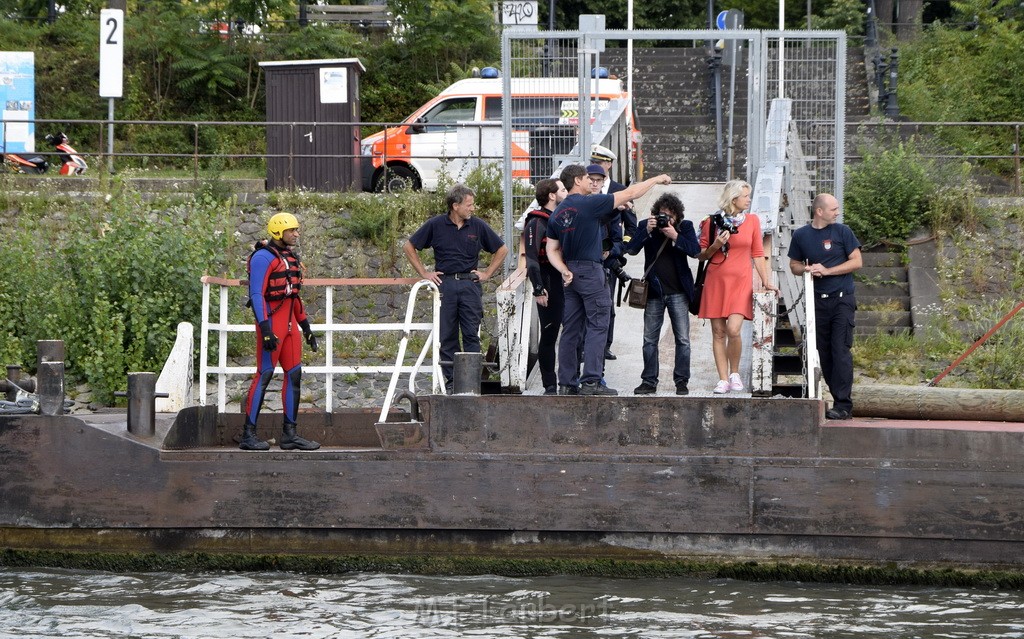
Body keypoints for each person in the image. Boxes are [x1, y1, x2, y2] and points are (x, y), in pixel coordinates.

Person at [545, 164, 673, 396]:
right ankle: (591, 382)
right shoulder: (589, 202)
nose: (592, 183)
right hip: (591, 271)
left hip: (571, 273)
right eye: (587, 178)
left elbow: (551, 249)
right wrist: (656, 178)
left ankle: (566, 384)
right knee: (597, 325)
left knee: (571, 329)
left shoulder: (558, 212)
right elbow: (632, 192)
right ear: (576, 181)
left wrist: (564, 269)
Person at [404, 184, 508, 391]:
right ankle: (452, 383)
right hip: (445, 285)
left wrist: (487, 273)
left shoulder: (477, 226)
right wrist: (424, 273)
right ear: (455, 206)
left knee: (471, 334)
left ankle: (471, 383)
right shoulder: (435, 225)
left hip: (470, 284)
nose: (472, 208)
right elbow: (409, 246)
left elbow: (502, 249)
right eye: (469, 205)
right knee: (447, 335)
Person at [240, 212, 321, 451]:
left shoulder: (290, 257)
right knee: (264, 374)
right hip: (272, 325)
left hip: (290, 327)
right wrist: (265, 329)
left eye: (297, 229)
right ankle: (248, 435)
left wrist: (306, 328)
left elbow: (293, 296)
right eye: (292, 230)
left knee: (294, 375)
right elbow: (255, 295)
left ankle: (289, 435)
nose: (297, 234)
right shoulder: (263, 258)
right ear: (279, 232)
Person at [696, 179, 779, 394]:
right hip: (716, 280)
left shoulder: (752, 221)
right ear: (734, 199)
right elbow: (701, 255)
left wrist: (766, 280)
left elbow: (758, 254)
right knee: (718, 332)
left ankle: (734, 372)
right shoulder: (711, 221)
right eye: (745, 196)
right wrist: (717, 245)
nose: (749, 200)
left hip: (741, 281)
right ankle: (723, 379)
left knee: (733, 329)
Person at [787, 193, 863, 420]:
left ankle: (843, 404)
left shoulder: (843, 232)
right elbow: (794, 265)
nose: (837, 212)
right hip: (818, 302)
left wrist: (827, 271)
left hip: (842, 299)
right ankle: (834, 397)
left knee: (841, 350)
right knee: (824, 352)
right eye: (833, 209)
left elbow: (857, 261)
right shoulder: (801, 235)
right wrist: (807, 270)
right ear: (819, 211)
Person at [624, 193, 701, 395]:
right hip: (653, 292)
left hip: (678, 293)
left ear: (677, 216)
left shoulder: (685, 227)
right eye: (662, 215)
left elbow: (695, 251)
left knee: (683, 339)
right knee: (649, 339)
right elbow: (630, 250)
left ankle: (681, 381)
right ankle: (649, 381)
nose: (665, 219)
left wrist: (675, 235)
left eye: (670, 216)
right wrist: (646, 231)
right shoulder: (646, 226)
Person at [522, 178, 568, 395]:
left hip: (565, 280)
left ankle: (570, 380)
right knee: (549, 334)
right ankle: (550, 384)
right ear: (551, 195)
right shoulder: (537, 222)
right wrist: (538, 288)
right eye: (562, 190)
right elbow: (531, 259)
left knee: (573, 332)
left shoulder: (561, 218)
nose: (566, 193)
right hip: (549, 281)